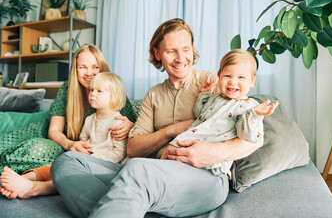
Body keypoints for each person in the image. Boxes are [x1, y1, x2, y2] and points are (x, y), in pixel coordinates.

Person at [51, 18, 264, 218]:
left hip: (204, 176)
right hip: (151, 173)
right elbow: (134, 149)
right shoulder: (154, 94)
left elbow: (256, 137)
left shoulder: (216, 83)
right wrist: (171, 130)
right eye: (172, 51)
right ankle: (132, 203)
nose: (181, 58)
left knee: (136, 169)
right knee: (66, 162)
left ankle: (130, 201)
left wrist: (215, 152)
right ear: (158, 53)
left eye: (186, 50)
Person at [0, 44, 136, 199]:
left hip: (75, 153)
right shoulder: (68, 89)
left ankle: (23, 181)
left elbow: (135, 131)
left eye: (95, 67)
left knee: (38, 150)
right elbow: (54, 131)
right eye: (82, 67)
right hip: (56, 136)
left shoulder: (114, 92)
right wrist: (70, 144)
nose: (89, 73)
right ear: (75, 69)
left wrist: (130, 126)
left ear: (102, 68)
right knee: (5, 143)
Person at [164, 49, 278, 176]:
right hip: (189, 141)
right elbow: (199, 114)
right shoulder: (216, 97)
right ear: (219, 76)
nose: (232, 81)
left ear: (251, 81)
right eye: (227, 76)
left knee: (175, 168)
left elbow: (248, 136)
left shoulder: (249, 106)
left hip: (212, 162)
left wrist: (253, 114)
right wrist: (204, 95)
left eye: (241, 77)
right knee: (167, 156)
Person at [79, 72, 128, 163]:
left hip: (106, 163)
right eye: (92, 90)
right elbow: (83, 141)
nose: (93, 94)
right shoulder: (89, 119)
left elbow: (120, 153)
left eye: (99, 91)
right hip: (87, 158)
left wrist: (93, 158)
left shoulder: (118, 122)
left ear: (114, 96)